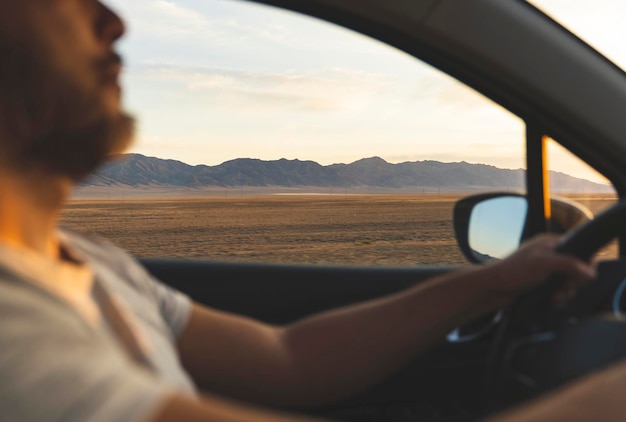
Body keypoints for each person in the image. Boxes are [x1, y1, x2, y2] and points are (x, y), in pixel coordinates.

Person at [0, 1, 607, 421]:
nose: (114, 22)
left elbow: (286, 359)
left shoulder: (88, 262)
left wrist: (494, 283)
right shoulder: (13, 328)